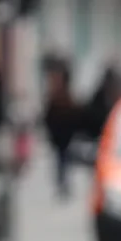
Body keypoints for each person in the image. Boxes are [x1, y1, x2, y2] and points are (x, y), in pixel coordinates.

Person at [42, 66, 83, 200]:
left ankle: (63, 184)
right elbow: (49, 117)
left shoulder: (63, 97)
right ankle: (62, 184)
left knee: (63, 161)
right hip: (60, 136)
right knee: (62, 161)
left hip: (64, 136)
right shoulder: (58, 97)